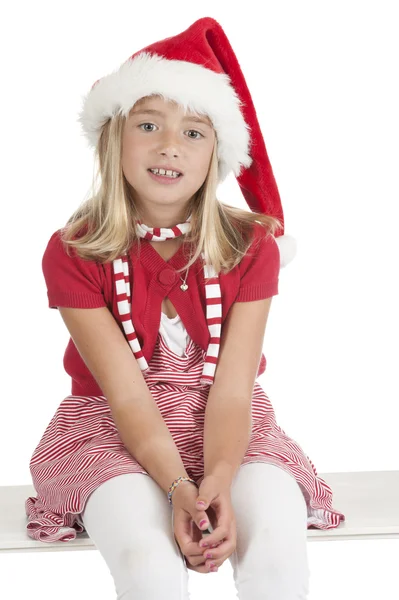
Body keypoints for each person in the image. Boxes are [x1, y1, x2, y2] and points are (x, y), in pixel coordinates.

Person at [25, 16, 345, 600]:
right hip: (113, 430)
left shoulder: (252, 248)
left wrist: (218, 477)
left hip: (229, 428)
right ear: (113, 139)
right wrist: (178, 487)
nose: (170, 145)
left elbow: (232, 391)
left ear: (218, 153)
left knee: (275, 544)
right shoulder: (74, 251)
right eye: (148, 125)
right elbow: (126, 394)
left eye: (194, 132)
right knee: (148, 562)